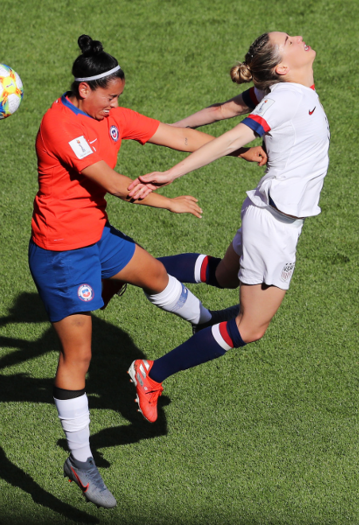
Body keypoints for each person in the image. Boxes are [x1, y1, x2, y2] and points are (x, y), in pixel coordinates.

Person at [30, 34, 266, 508]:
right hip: (61, 253)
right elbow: (116, 184)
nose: (116, 106)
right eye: (110, 97)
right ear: (85, 91)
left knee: (156, 275)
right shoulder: (61, 125)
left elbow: (177, 136)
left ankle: (205, 323)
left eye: (119, 98)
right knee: (79, 358)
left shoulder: (109, 115)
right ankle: (79, 461)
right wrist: (169, 202)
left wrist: (240, 150)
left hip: (96, 236)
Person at [127, 32, 330, 424]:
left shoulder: (286, 89)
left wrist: (160, 131)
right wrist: (172, 172)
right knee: (250, 327)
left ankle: (127, 269)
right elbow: (232, 135)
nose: (300, 37)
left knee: (225, 275)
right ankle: (151, 374)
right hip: (274, 222)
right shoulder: (288, 97)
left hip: (268, 210)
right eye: (290, 39)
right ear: (283, 67)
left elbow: (222, 109)